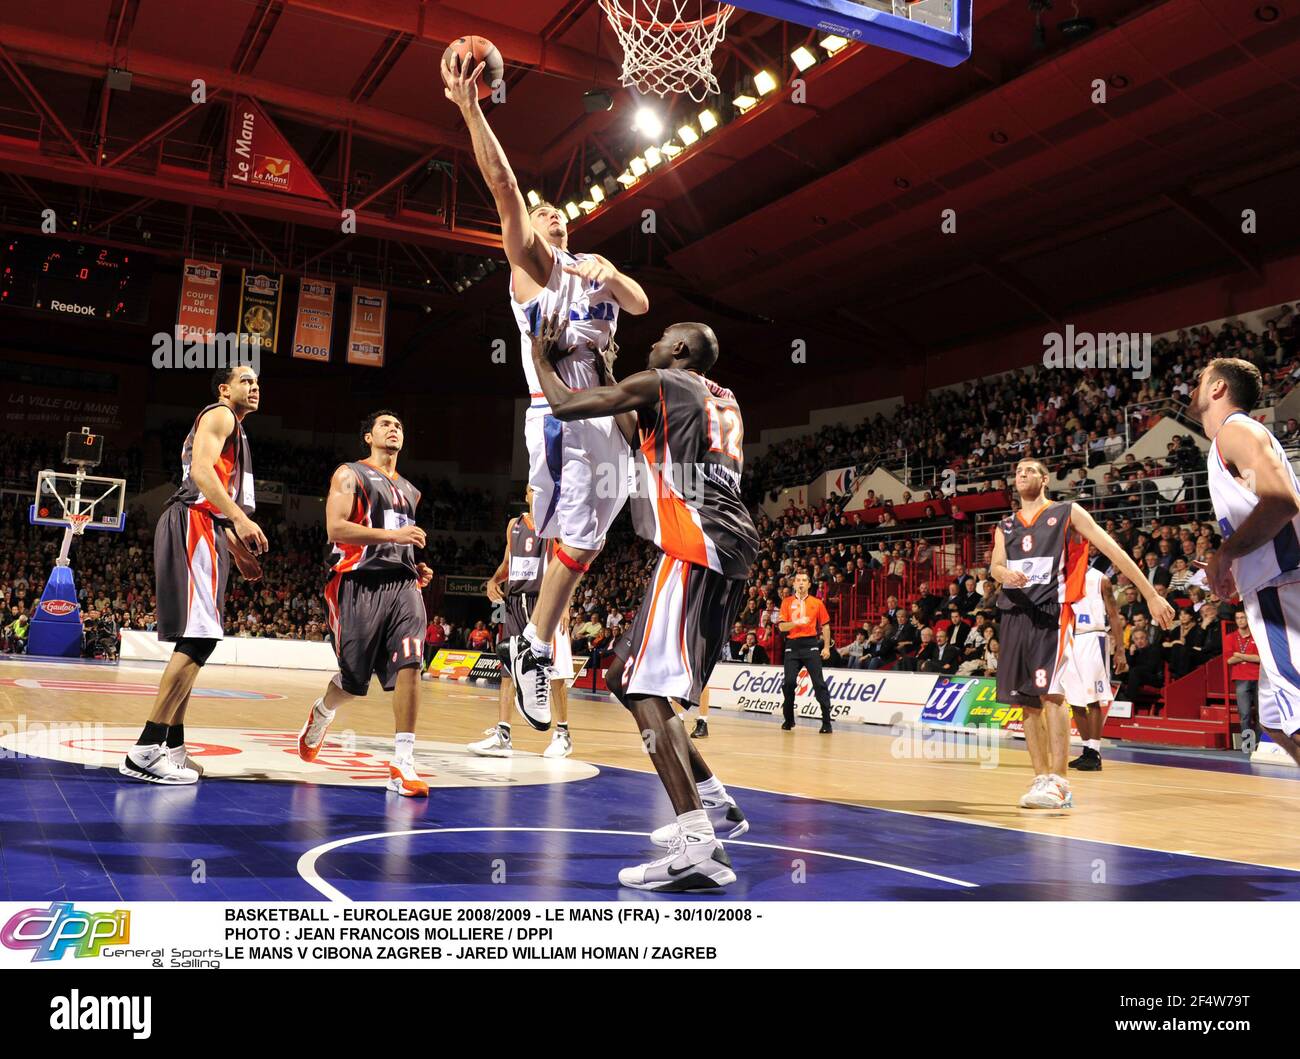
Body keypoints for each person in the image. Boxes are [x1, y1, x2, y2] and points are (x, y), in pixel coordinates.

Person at [443, 51, 649, 731]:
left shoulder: (593, 271)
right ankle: (532, 643)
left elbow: (642, 305)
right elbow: (504, 185)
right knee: (578, 538)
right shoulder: (532, 262)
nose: (550, 216)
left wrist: (613, 274)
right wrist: (473, 109)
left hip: (604, 413)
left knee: (594, 538)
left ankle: (534, 638)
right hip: (558, 414)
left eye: (559, 210)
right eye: (541, 212)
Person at [531, 312, 755, 891]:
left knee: (641, 686)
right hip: (726, 546)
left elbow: (565, 406)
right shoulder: (718, 398)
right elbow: (636, 430)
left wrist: (538, 357)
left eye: (659, 340)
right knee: (622, 677)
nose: (651, 345)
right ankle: (714, 802)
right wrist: (606, 364)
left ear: (678, 348)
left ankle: (697, 843)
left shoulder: (663, 382)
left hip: (696, 544)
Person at [990, 458, 1172, 810]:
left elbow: (1114, 551)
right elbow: (996, 564)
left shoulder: (1067, 512)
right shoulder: (1005, 525)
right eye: (1017, 471)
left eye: (1029, 470)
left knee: (1053, 694)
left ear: (1045, 478)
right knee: (1026, 703)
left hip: (1052, 613)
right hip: (1014, 613)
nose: (1021, 475)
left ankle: (1060, 782)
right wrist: (1003, 575)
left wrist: (1150, 593)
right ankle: (1041, 778)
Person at [120, 365, 266, 785]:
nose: (254, 387)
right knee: (199, 637)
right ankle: (145, 751)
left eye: (257, 383)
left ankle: (173, 747)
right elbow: (201, 475)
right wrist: (239, 520)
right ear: (225, 389)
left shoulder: (236, 430)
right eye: (245, 381)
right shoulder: (219, 415)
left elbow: (212, 492)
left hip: (207, 528)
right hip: (193, 523)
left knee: (195, 640)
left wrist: (237, 551)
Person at [295, 411, 435, 797]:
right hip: (355, 583)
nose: (394, 429)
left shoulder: (410, 490)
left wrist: (412, 564)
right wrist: (394, 535)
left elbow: (398, 538)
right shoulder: (349, 474)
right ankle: (323, 712)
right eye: (386, 425)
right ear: (368, 436)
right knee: (354, 683)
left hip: (402, 585)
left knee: (411, 662)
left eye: (400, 426)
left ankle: (402, 762)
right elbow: (336, 528)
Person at [1194, 357, 1300, 765]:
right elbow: (1265, 506)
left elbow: (1281, 502)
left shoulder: (1235, 431)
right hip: (1270, 583)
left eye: (1201, 379)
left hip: (1283, 581)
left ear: (1218, 388)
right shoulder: (1229, 441)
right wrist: (1233, 565)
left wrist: (1227, 553)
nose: (1194, 387)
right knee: (1273, 716)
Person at [469, 487, 575, 759]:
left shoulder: (557, 522)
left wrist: (565, 603)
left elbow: (572, 563)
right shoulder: (513, 525)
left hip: (545, 601)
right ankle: (503, 735)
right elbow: (507, 562)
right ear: (526, 494)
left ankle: (563, 734)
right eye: (532, 489)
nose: (537, 493)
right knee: (508, 668)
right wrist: (494, 580)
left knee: (553, 670)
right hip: (515, 602)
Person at [1065, 562, 1125, 771]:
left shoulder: (1101, 579)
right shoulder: (1061, 576)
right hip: (1070, 639)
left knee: (1093, 699)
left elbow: (1114, 615)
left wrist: (1120, 650)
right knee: (1075, 700)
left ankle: (1095, 751)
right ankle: (1087, 750)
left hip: (1093, 636)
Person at [778, 573, 834, 733]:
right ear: (794, 584)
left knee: (819, 683)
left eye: (804, 580)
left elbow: (825, 626)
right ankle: (788, 719)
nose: (801, 583)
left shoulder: (817, 603)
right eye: (798, 580)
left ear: (809, 584)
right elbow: (782, 627)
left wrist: (826, 648)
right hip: (792, 646)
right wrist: (796, 623)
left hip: (810, 645)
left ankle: (826, 722)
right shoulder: (786, 602)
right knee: (789, 683)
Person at [1224, 609, 1261, 751]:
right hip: (1241, 678)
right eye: (1238, 618)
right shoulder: (1230, 637)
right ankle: (1248, 744)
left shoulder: (1257, 636)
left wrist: (1240, 655)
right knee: (1244, 713)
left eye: (1243, 617)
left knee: (1260, 714)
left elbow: (1260, 658)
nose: (1240, 620)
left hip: (1258, 677)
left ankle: (1259, 743)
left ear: (1248, 619)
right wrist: (1248, 656)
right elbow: (1229, 660)